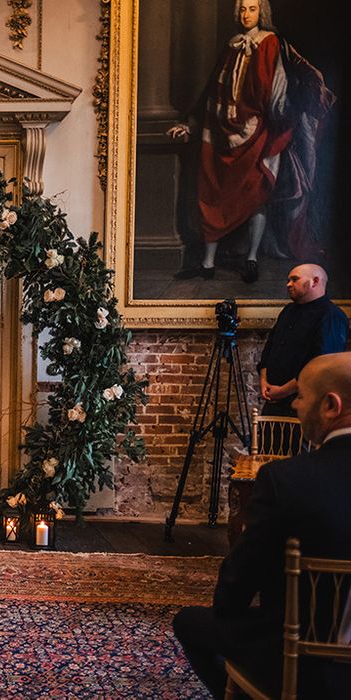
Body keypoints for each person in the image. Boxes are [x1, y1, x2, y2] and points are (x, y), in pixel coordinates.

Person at [173, 352, 351, 699]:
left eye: (300, 397)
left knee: (190, 622)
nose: (296, 407)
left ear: (331, 406)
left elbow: (234, 592)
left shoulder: (286, 481)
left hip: (304, 669)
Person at [169, 0, 335, 283]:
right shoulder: (232, 44)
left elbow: (283, 87)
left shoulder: (272, 42)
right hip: (219, 132)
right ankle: (207, 264)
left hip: (258, 133)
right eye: (243, 9)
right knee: (212, 196)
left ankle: (251, 259)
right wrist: (191, 123)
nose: (246, 14)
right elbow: (212, 89)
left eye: (252, 9)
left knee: (257, 194)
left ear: (262, 12)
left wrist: (286, 117)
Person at [258, 263, 347, 417]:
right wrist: (264, 382)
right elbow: (270, 349)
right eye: (288, 280)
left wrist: (284, 391)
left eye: (294, 279)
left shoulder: (331, 316)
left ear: (315, 281)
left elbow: (321, 366)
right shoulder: (288, 311)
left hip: (305, 404)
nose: (288, 284)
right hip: (274, 401)